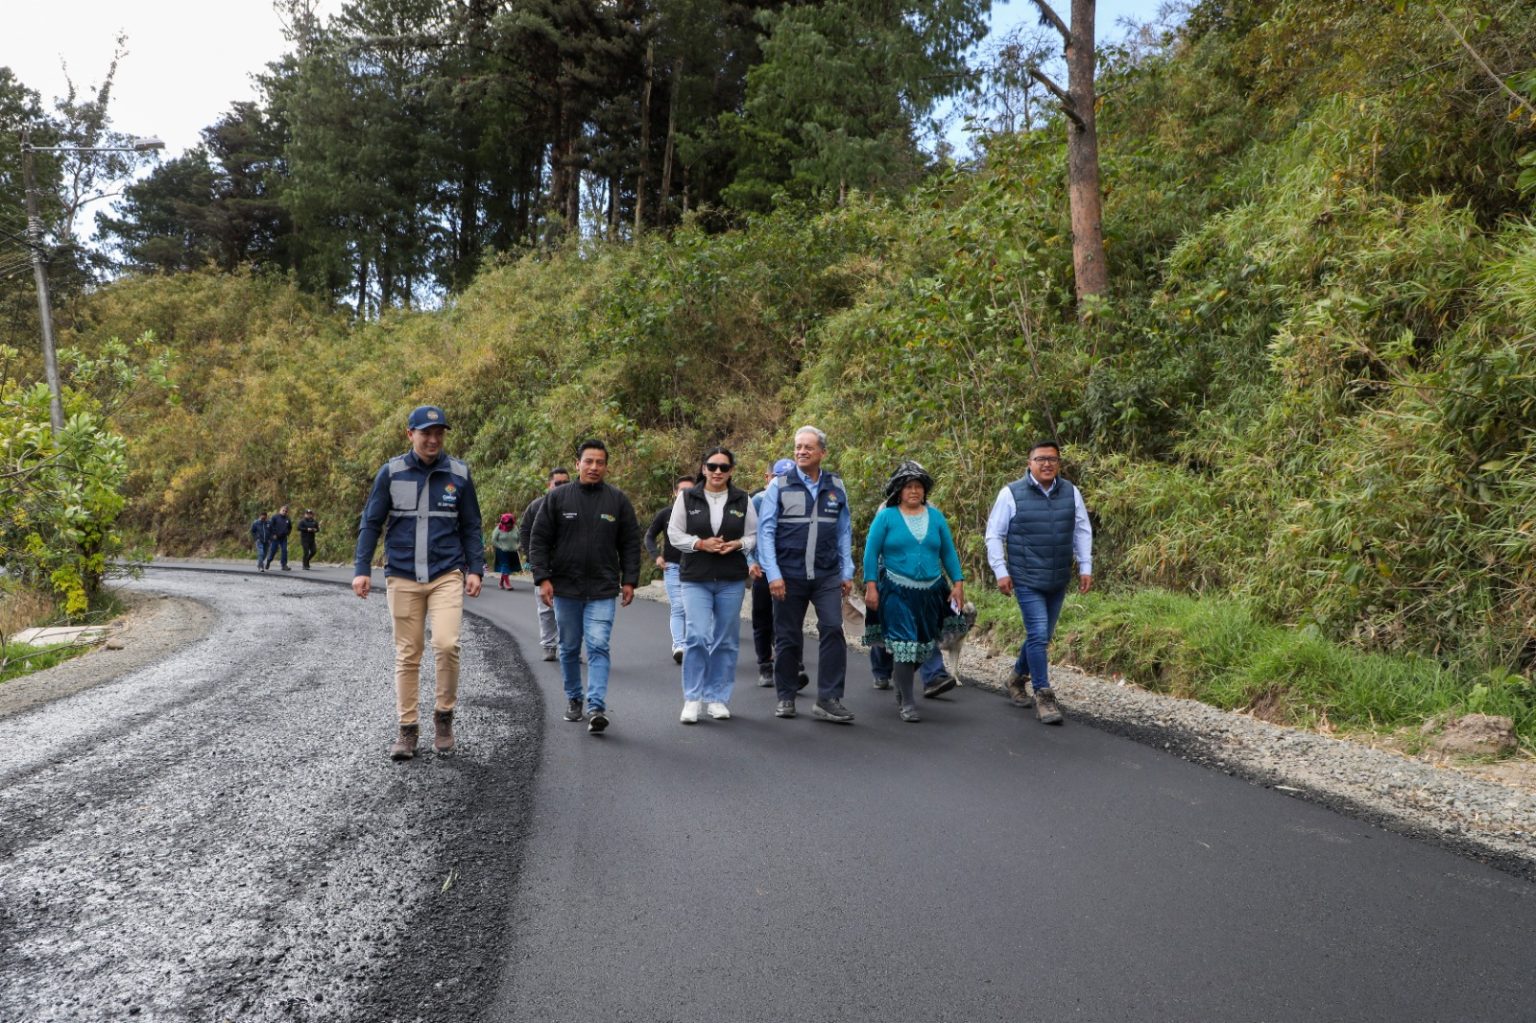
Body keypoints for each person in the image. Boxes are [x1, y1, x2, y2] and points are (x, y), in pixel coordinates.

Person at [353, 405, 484, 760]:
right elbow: (371, 522)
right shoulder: (391, 472)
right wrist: (362, 568)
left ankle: (444, 717)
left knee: (446, 644)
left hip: (446, 573)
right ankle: (407, 729)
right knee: (408, 653)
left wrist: (475, 568)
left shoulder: (459, 473)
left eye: (439, 433)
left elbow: (471, 525)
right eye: (426, 433)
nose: (433, 440)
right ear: (410, 434)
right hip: (402, 574)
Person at [528, 439, 641, 735]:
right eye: (588, 461)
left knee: (598, 645)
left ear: (606, 467)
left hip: (603, 588)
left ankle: (596, 707)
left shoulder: (617, 501)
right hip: (566, 587)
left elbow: (630, 543)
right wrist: (542, 578)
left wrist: (630, 579)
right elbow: (538, 540)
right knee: (568, 647)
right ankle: (574, 698)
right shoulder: (558, 498)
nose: (594, 467)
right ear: (577, 464)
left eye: (599, 462)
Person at [984, 440, 1093, 725]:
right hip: (1027, 577)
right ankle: (1043, 696)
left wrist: (1085, 566)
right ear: (1029, 463)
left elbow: (1082, 530)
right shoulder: (1011, 493)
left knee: (1041, 636)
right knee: (1038, 633)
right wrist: (1001, 571)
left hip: (1057, 577)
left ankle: (1016, 678)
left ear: (1059, 463)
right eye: (1041, 459)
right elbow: (994, 534)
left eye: (1052, 459)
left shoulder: (1071, 492)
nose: (1047, 464)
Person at [757, 425, 856, 724]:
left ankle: (828, 699)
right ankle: (786, 696)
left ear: (822, 453)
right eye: (798, 447)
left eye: (808, 447)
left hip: (827, 574)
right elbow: (765, 532)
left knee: (833, 629)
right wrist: (773, 574)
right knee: (788, 636)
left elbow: (843, 531)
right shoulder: (779, 485)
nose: (801, 451)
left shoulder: (835, 485)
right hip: (788, 574)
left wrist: (847, 570)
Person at [861, 461, 968, 723]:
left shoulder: (936, 517)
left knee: (924, 644)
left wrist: (958, 583)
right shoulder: (886, 517)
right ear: (899, 490)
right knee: (904, 643)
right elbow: (871, 553)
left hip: (931, 591)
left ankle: (902, 680)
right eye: (908, 486)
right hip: (896, 590)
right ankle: (907, 702)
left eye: (918, 487)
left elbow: (947, 552)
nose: (914, 491)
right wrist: (871, 585)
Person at [668, 447, 756, 723]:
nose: (718, 471)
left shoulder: (743, 499)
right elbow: (674, 534)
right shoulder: (687, 497)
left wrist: (738, 544)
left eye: (724, 467)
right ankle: (692, 698)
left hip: (731, 579)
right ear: (703, 468)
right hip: (696, 577)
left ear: (731, 471)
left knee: (726, 639)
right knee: (696, 636)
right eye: (712, 466)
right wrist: (699, 544)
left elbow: (754, 535)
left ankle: (717, 697)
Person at [747, 458, 808, 689]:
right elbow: (749, 535)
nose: (784, 482)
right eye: (779, 477)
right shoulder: (758, 500)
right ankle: (765, 665)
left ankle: (795, 666)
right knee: (763, 618)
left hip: (791, 569)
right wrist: (750, 561)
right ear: (769, 478)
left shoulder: (803, 499)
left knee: (790, 620)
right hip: (763, 569)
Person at [519, 467, 571, 661]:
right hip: (544, 566)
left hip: (570, 567)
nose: (562, 486)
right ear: (549, 485)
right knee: (546, 609)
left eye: (566, 483)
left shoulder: (578, 504)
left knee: (571, 610)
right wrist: (533, 559)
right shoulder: (536, 506)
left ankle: (570, 648)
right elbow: (525, 531)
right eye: (558, 483)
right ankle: (549, 646)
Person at [645, 475, 696, 662]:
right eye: (682, 490)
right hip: (672, 567)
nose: (685, 494)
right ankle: (679, 645)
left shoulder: (701, 514)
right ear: (675, 492)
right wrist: (656, 556)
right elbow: (649, 536)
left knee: (694, 608)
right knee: (678, 606)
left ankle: (694, 645)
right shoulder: (666, 514)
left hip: (696, 568)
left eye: (690, 490)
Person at [491, 512, 520, 590]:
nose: (509, 525)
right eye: (507, 523)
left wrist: (518, 546)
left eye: (510, 523)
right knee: (505, 566)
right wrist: (500, 547)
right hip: (502, 551)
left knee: (508, 568)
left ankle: (501, 582)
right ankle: (507, 584)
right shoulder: (498, 529)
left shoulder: (515, 528)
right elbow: (493, 540)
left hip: (513, 551)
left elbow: (519, 538)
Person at [266, 505, 293, 571]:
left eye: (286, 511)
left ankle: (284, 565)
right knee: (273, 551)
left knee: (284, 550)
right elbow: (270, 526)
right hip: (275, 537)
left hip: (283, 538)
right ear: (280, 510)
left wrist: (288, 533)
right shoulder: (275, 517)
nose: (284, 512)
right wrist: (273, 535)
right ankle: (269, 560)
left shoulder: (287, 519)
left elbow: (290, 527)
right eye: (283, 510)